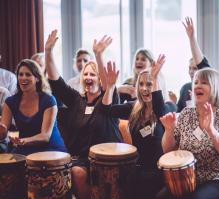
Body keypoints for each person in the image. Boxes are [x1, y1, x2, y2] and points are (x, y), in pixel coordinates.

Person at [45, 30, 122, 199]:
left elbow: (106, 84)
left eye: (92, 74)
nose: (88, 76)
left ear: (100, 79)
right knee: (74, 172)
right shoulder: (76, 99)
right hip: (81, 158)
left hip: (108, 158)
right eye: (85, 74)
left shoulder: (108, 97)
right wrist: (48, 52)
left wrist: (98, 54)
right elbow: (57, 83)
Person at [157, 68, 219, 199]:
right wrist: (169, 130)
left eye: (204, 82)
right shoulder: (187, 113)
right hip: (190, 177)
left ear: (216, 88)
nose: (198, 85)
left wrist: (211, 131)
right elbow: (168, 150)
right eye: (195, 82)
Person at [101, 54, 176, 199]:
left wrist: (154, 77)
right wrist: (111, 87)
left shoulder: (168, 107)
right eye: (141, 84)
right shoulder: (133, 108)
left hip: (160, 172)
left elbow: (160, 110)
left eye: (149, 84)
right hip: (138, 169)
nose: (144, 89)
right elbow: (106, 110)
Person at [0, 59, 67, 155]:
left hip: (51, 148)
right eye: (20, 74)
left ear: (37, 78)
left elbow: (45, 136)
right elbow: (2, 134)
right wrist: (2, 131)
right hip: (24, 148)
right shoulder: (10, 102)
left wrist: (24, 141)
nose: (23, 78)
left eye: (28, 74)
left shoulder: (49, 100)